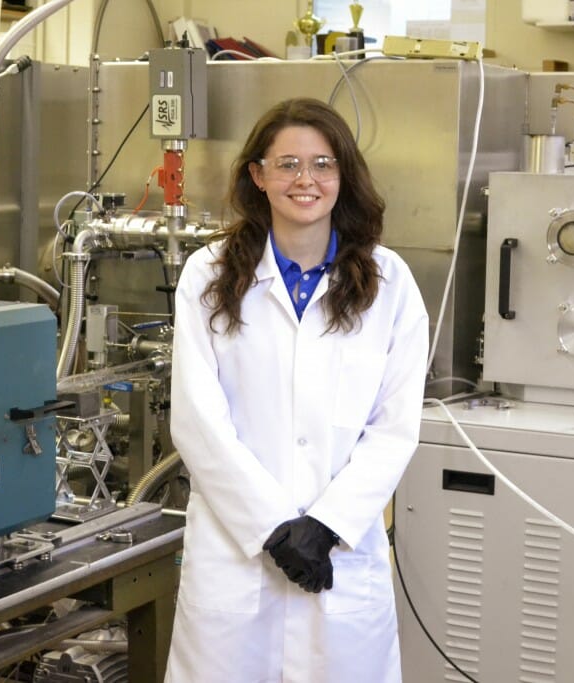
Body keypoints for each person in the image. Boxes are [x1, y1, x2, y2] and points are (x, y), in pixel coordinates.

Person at [164, 97, 428, 683]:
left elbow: (394, 426)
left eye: (323, 164)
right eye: (287, 164)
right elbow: (198, 422)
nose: (305, 180)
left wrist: (327, 525)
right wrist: (274, 529)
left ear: (344, 176)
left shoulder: (391, 284)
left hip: (341, 553)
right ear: (258, 176)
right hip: (238, 554)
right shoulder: (208, 276)